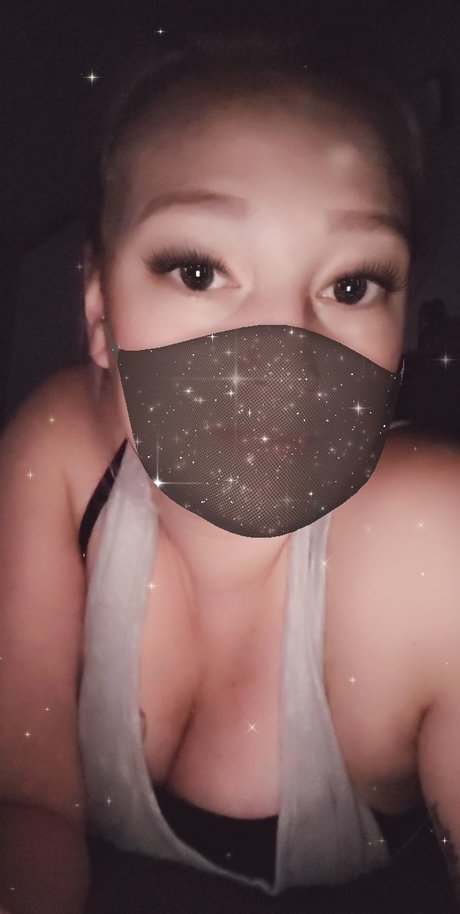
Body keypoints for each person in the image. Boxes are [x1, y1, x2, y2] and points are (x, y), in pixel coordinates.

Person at [1, 26, 459, 914]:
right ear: (99, 310)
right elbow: (25, 805)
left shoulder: (436, 546)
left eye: (352, 285)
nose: (281, 364)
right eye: (200, 270)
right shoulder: (58, 452)